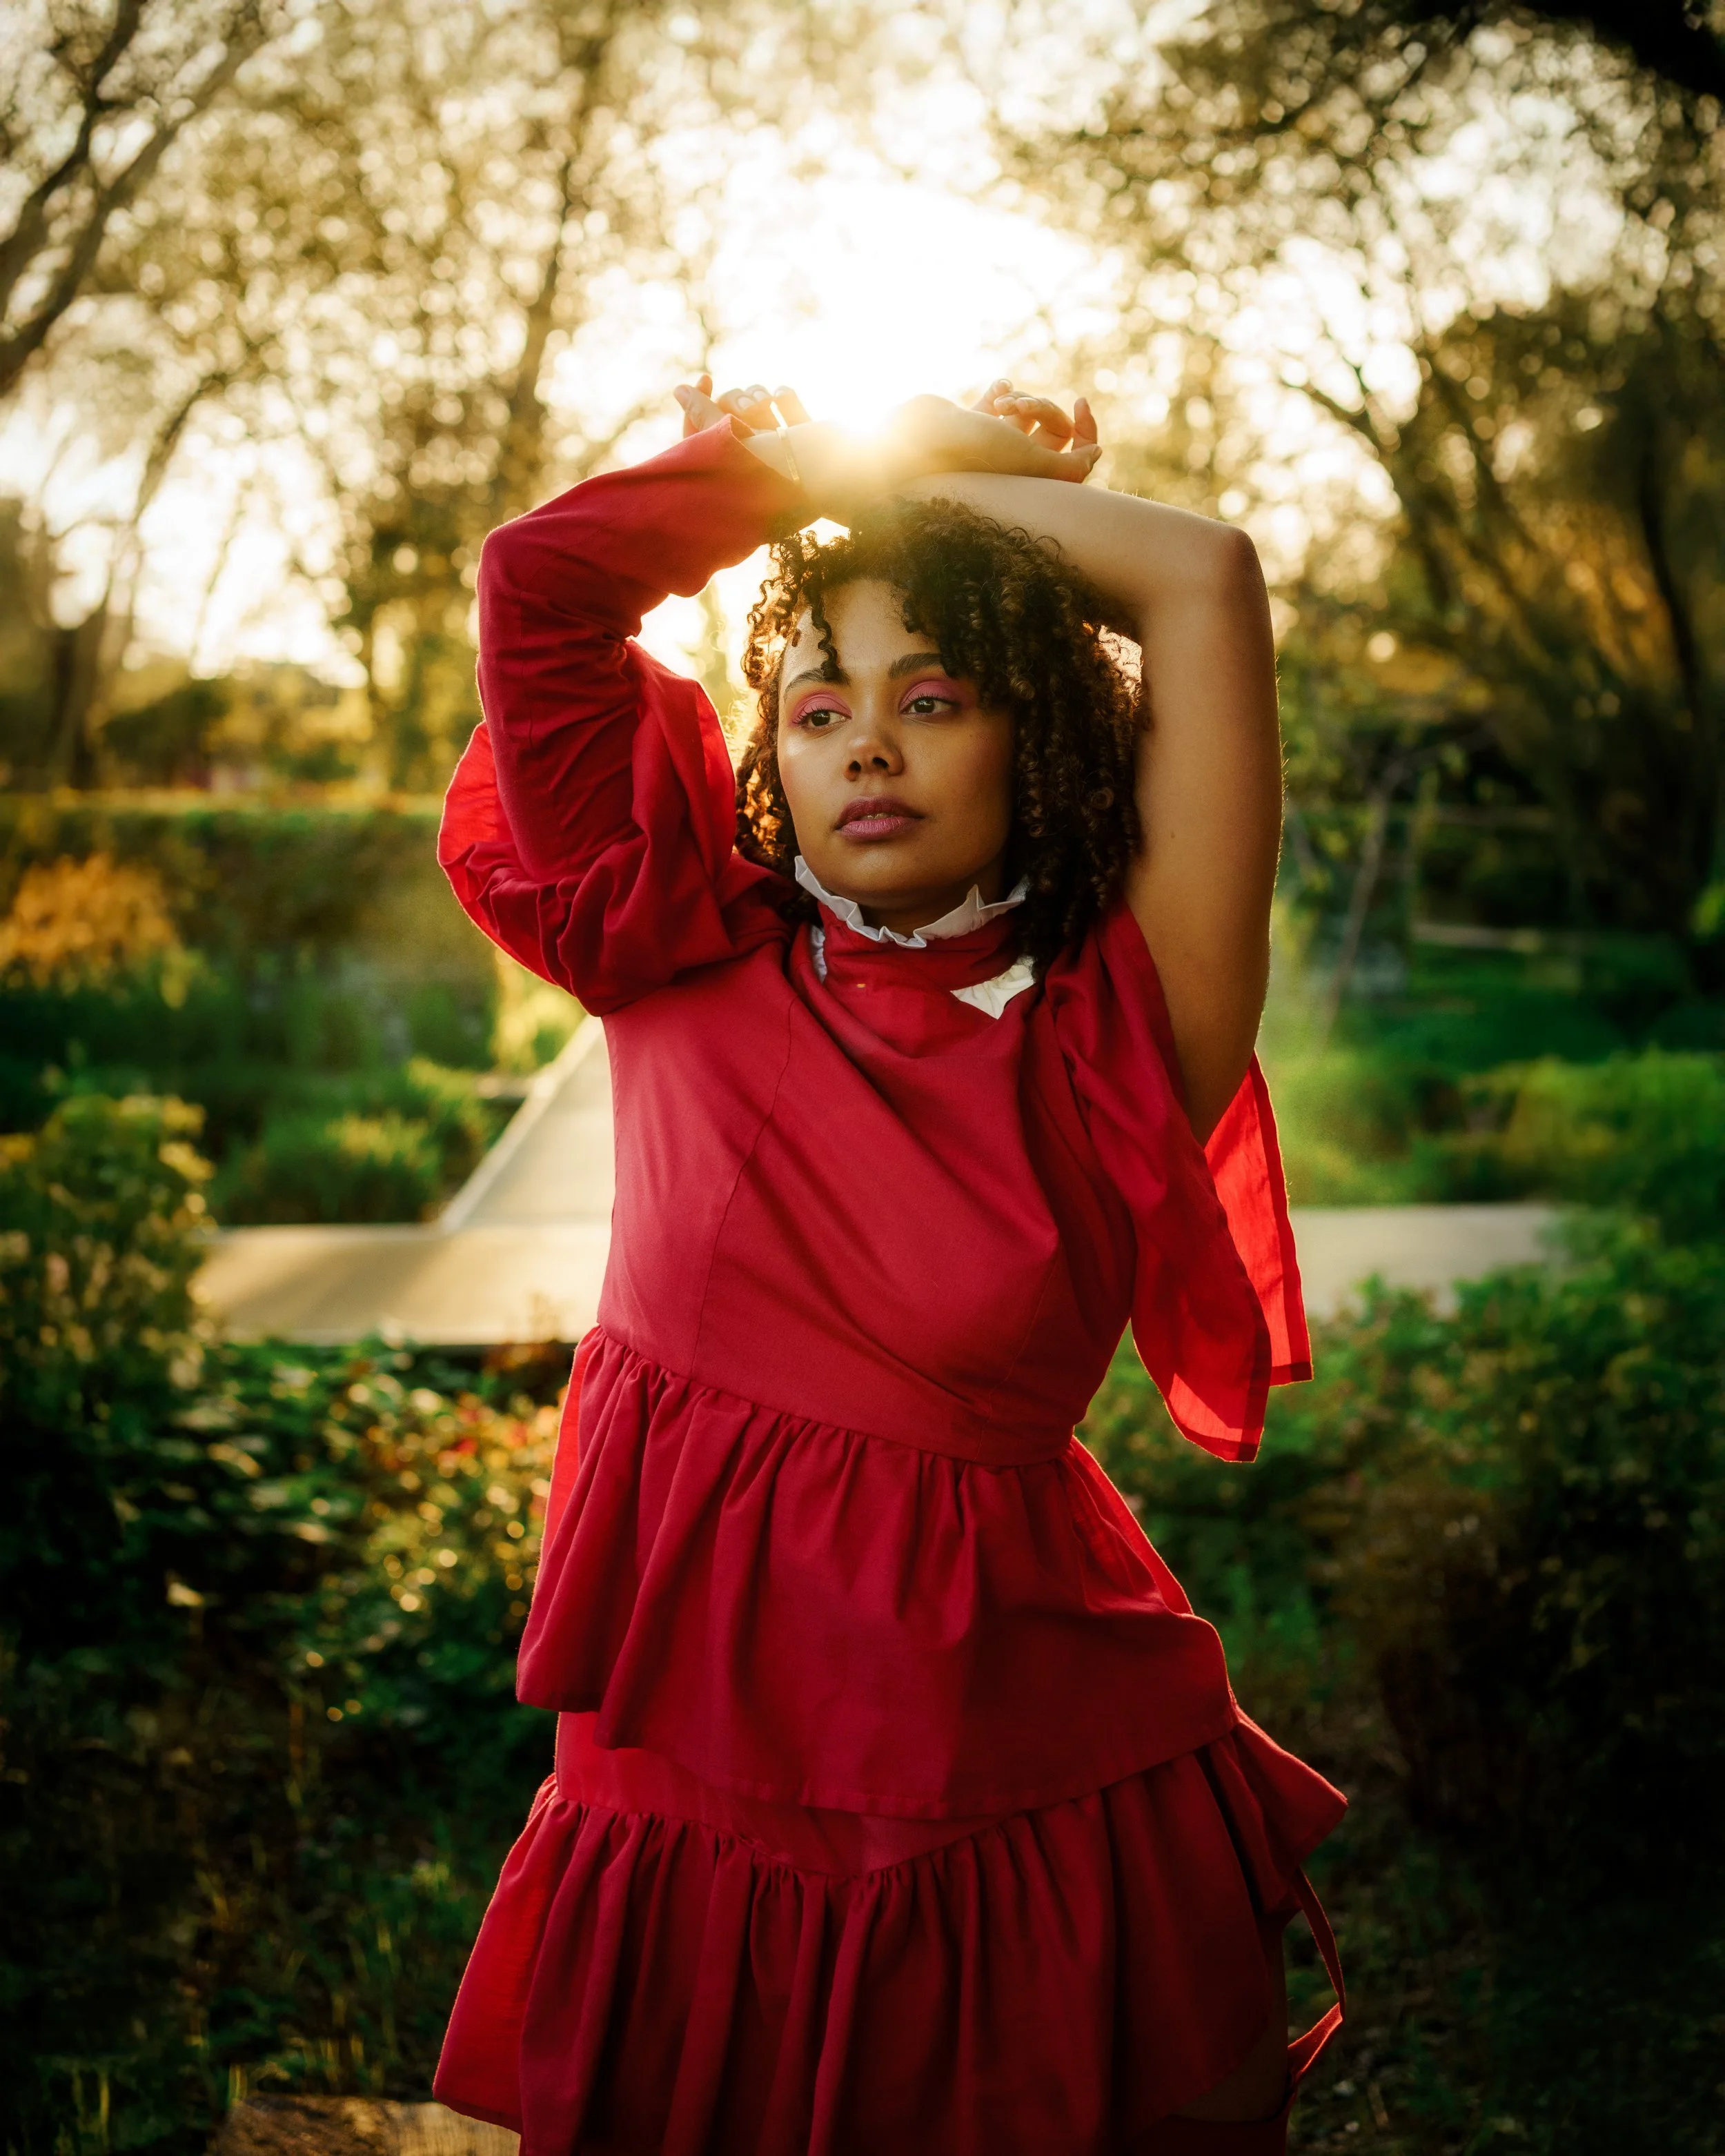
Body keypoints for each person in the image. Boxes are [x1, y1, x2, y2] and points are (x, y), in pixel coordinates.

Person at [431, 371, 1346, 2156]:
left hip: (1020, 1784)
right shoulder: (668, 936)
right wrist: (838, 466)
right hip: (688, 1803)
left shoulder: (1120, 1029)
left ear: (1043, 740)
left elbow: (1200, 577)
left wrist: (936, 491)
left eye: (933, 697)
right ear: (765, 745)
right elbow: (540, 586)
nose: (865, 741)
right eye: (819, 699)